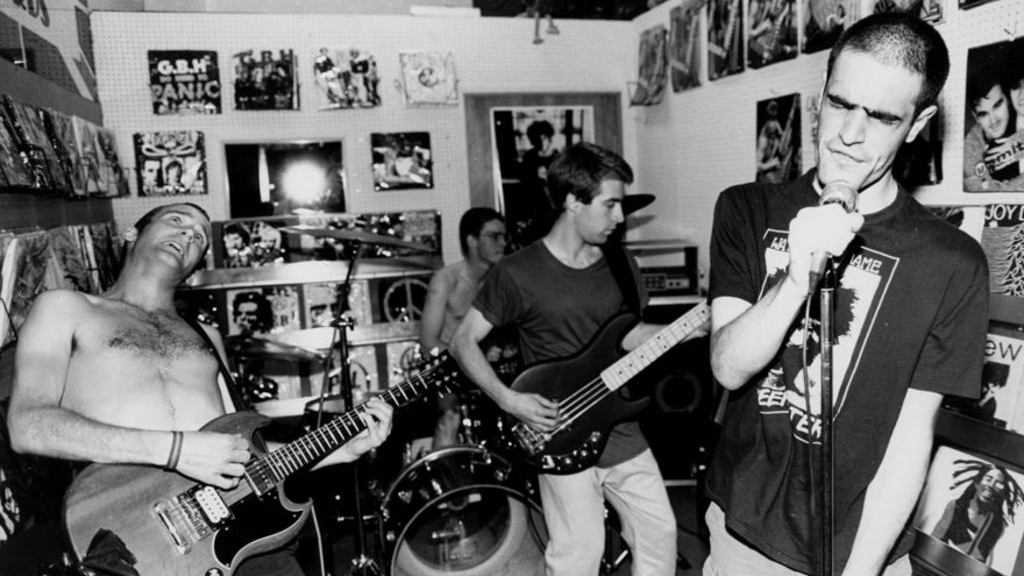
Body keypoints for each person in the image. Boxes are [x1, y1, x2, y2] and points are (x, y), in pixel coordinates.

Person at [706, 12, 988, 576]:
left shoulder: (951, 262)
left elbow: (909, 440)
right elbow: (728, 368)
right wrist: (795, 279)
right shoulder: (746, 209)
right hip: (745, 538)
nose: (849, 135)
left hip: (867, 550)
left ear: (918, 123)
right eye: (839, 103)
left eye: (882, 117)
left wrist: (861, 571)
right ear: (822, 92)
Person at [7, 202, 394, 575]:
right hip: (128, 540)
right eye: (177, 221)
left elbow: (244, 455)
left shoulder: (206, 336)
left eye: (198, 238)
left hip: (232, 539)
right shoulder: (65, 308)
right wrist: (176, 450)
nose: (188, 235)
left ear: (194, 270)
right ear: (131, 233)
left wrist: (337, 451)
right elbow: (28, 427)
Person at [451, 142, 695, 576]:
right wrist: (509, 400)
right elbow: (462, 340)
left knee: (659, 535)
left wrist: (692, 327)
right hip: (559, 429)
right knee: (579, 554)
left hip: (620, 425)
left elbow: (630, 335)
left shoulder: (621, 263)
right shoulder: (517, 272)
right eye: (610, 205)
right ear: (572, 201)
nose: (620, 218)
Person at [420, 208, 510, 449]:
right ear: (471, 241)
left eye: (504, 236)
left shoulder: (501, 279)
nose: (503, 243)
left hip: (490, 370)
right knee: (450, 417)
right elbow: (428, 344)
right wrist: (475, 357)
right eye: (494, 236)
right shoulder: (446, 280)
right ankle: (445, 470)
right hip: (448, 372)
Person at [931, 461, 1023, 564]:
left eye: (998, 484)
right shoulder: (955, 507)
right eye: (988, 479)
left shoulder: (997, 525)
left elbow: (979, 561)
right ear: (977, 483)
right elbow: (933, 542)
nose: (991, 485)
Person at [963, 65, 1024, 191]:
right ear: (975, 116)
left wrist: (1018, 142)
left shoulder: (1020, 112)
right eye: (983, 114)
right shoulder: (970, 146)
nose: (993, 120)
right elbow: (982, 192)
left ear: (1007, 99)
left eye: (997, 106)